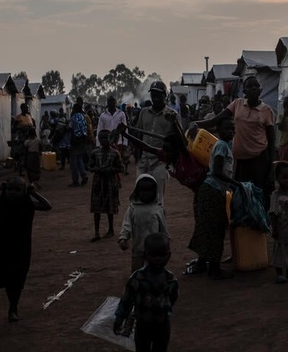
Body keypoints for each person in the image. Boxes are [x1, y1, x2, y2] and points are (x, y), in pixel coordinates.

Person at [117, 124, 208, 274]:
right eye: (164, 149)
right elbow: (145, 146)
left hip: (208, 190)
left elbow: (181, 140)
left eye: (168, 149)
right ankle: (203, 259)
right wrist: (125, 135)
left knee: (205, 225)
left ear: (177, 149)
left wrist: (174, 122)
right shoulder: (168, 157)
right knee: (201, 225)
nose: (165, 152)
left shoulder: (185, 156)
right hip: (199, 192)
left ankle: (206, 261)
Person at [191, 76, 276, 211]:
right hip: (240, 162)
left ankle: (259, 228)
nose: (253, 88)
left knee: (259, 195)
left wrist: (271, 170)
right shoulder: (237, 104)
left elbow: (272, 142)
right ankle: (242, 230)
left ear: (260, 90)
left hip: (259, 160)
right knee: (240, 195)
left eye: (256, 85)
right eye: (249, 86)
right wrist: (196, 124)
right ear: (244, 91)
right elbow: (216, 120)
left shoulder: (267, 111)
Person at [0, 177, 52, 322]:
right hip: (4, 245)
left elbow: (47, 206)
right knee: (7, 276)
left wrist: (33, 193)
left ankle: (13, 306)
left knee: (18, 276)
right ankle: (13, 306)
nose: (13, 192)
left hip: (22, 245)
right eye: (10, 189)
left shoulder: (27, 203)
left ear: (24, 191)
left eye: (17, 189)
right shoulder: (2, 201)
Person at [189, 117, 238, 280]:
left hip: (214, 190)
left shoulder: (228, 145)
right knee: (215, 229)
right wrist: (236, 184)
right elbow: (217, 171)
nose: (230, 131)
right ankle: (214, 268)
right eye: (226, 129)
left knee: (210, 227)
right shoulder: (222, 146)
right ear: (218, 130)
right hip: (212, 190)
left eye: (232, 129)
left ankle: (205, 263)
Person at [114, 233, 179, 352]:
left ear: (169, 255)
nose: (158, 259)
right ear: (145, 255)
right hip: (143, 324)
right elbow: (126, 299)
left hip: (162, 324)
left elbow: (172, 298)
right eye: (153, 255)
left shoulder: (171, 279)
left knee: (160, 348)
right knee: (142, 348)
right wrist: (120, 318)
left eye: (162, 255)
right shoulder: (137, 278)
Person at [134, 81, 179, 204]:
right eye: (153, 95)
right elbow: (138, 134)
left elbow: (179, 140)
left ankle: (159, 222)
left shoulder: (172, 115)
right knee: (139, 198)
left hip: (160, 162)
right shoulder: (143, 112)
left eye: (159, 95)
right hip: (144, 161)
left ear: (165, 96)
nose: (155, 98)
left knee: (158, 200)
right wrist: (137, 156)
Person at [118, 175, 169, 272]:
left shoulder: (158, 208)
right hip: (138, 246)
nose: (146, 194)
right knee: (137, 269)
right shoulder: (133, 208)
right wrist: (123, 238)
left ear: (155, 192)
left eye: (149, 191)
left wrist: (166, 240)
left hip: (155, 248)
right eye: (143, 191)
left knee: (155, 270)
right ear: (137, 192)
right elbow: (127, 224)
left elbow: (163, 227)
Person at [89, 130, 125, 242]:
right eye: (102, 139)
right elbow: (90, 166)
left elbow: (121, 168)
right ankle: (97, 232)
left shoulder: (115, 153)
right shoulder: (95, 153)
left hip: (110, 182)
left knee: (110, 207)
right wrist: (97, 169)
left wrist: (111, 170)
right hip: (98, 182)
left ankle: (110, 229)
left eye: (106, 138)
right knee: (96, 207)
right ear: (99, 140)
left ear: (110, 139)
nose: (104, 141)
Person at [98, 96, 130, 173]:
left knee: (120, 160)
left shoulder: (121, 114)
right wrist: (98, 144)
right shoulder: (102, 116)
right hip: (107, 143)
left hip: (119, 142)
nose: (111, 103)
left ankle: (123, 171)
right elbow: (99, 130)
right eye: (110, 102)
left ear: (115, 103)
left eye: (113, 102)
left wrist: (125, 142)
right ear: (107, 103)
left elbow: (125, 129)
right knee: (109, 162)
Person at [68, 103, 91, 187]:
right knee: (79, 159)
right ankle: (84, 175)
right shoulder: (83, 117)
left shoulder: (73, 118)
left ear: (74, 109)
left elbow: (70, 128)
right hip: (82, 140)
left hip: (75, 141)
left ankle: (75, 181)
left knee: (73, 162)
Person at [11, 103, 36, 176]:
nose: (27, 109)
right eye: (26, 108)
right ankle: (20, 170)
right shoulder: (18, 118)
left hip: (30, 138)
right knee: (22, 153)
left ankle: (28, 168)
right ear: (22, 108)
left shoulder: (29, 116)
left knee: (30, 153)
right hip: (23, 138)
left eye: (27, 108)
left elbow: (33, 126)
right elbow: (13, 129)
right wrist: (21, 128)